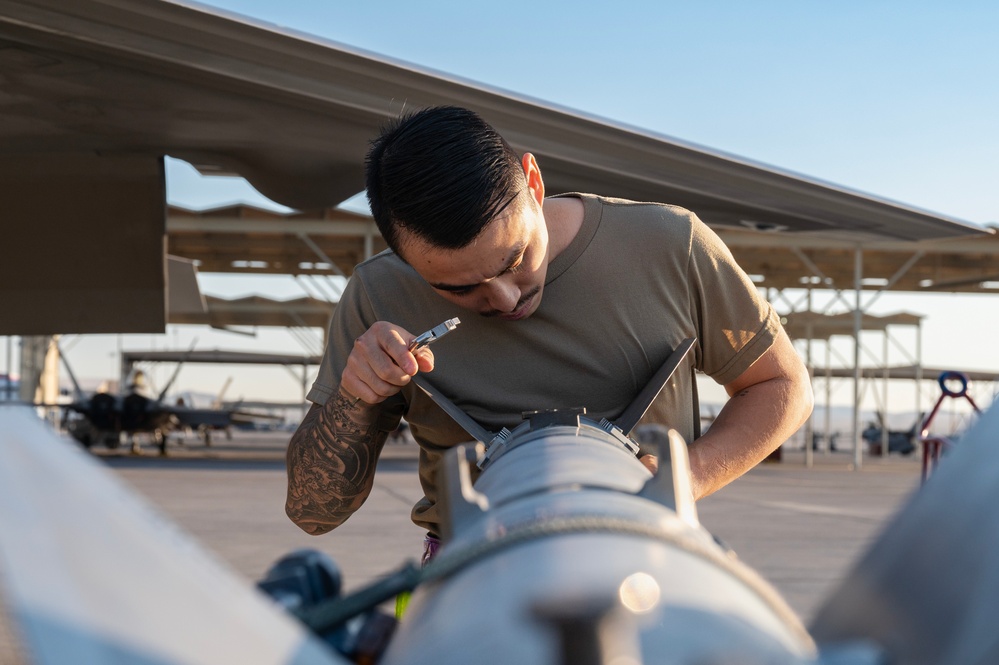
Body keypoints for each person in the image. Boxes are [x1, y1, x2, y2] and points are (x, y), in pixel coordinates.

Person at [285, 106, 813, 547]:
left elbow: (782, 385)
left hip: (650, 556)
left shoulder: (671, 245)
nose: (506, 298)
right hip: (470, 579)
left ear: (534, 183)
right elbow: (312, 513)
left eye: (516, 259)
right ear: (402, 259)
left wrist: (688, 477)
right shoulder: (379, 295)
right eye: (460, 288)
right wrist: (354, 397)